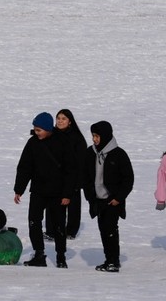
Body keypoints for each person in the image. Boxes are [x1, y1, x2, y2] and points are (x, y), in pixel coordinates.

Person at [13, 112, 76, 268]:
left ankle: (61, 257)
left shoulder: (62, 142)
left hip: (58, 193)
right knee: (34, 222)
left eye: (39, 130)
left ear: (48, 129)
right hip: (38, 191)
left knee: (59, 225)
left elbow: (71, 171)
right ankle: (39, 254)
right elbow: (24, 167)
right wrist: (19, 189)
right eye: (35, 129)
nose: (36, 133)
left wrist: (67, 194)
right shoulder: (32, 143)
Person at [84, 121, 134, 273]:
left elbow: (128, 179)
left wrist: (119, 197)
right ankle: (108, 259)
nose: (94, 139)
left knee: (110, 229)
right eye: (93, 136)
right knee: (103, 230)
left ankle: (113, 261)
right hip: (97, 200)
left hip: (113, 200)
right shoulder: (90, 153)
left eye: (97, 136)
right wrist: (90, 196)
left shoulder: (119, 154)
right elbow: (85, 176)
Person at [45, 109, 87, 240]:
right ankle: (51, 231)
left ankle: (71, 231)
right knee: (52, 205)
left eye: (63, 119)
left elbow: (81, 161)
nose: (60, 121)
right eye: (58, 118)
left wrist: (78, 180)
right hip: (54, 178)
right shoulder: (51, 135)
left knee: (73, 206)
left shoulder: (77, 138)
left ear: (70, 121)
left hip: (72, 177)